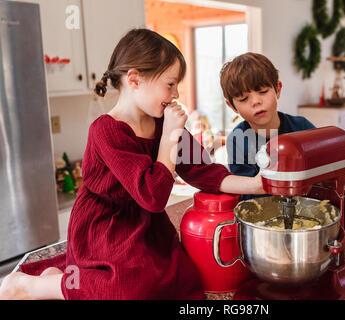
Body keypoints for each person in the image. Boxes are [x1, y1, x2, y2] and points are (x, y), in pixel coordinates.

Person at [0, 29, 264, 300]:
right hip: (105, 226)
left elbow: (203, 171)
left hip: (146, 227)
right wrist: (171, 135)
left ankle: (57, 277)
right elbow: (153, 196)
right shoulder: (106, 130)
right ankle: (28, 286)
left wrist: (258, 184)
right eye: (170, 84)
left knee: (183, 282)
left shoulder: (163, 122)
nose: (175, 94)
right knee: (128, 289)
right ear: (135, 79)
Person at [221, 52, 345, 231]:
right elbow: (246, 193)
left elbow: (333, 164)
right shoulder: (238, 140)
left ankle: (322, 230)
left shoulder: (301, 126)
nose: (256, 102)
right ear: (232, 105)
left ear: (277, 89)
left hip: (311, 203)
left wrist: (343, 183)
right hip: (270, 211)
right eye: (244, 99)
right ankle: (322, 231)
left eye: (263, 92)